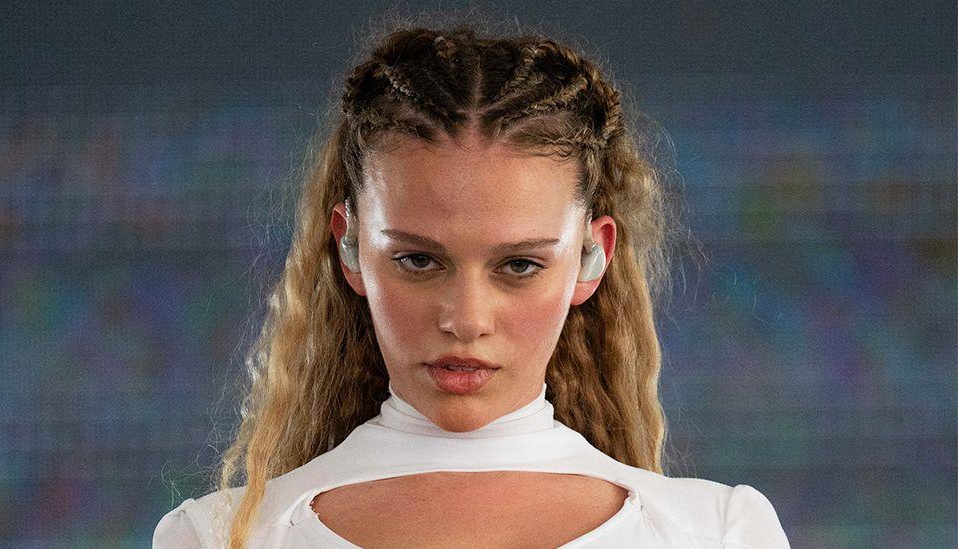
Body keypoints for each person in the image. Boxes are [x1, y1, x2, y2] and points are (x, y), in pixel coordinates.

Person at [153, 18, 791, 549]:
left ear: (593, 258)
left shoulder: (717, 532)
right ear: (348, 247)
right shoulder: (217, 537)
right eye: (418, 261)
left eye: (519, 266)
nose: (466, 319)